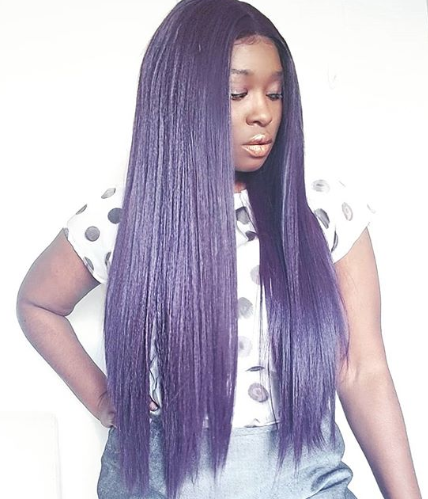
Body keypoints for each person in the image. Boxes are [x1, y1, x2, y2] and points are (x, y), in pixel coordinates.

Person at [16, 0, 421, 498]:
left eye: (275, 93)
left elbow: (362, 370)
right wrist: (101, 397)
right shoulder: (126, 217)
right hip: (163, 482)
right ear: (182, 99)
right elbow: (37, 303)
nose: (263, 113)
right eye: (237, 93)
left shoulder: (322, 210)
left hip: (303, 481)